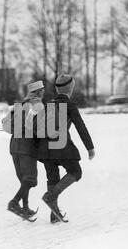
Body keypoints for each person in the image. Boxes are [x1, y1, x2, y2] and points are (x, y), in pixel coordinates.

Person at [37, 74, 95, 223]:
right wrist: (90, 147)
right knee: (76, 171)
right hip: (61, 146)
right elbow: (80, 126)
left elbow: (36, 124)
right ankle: (50, 197)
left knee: (52, 178)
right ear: (72, 87)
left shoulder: (48, 104)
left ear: (57, 88)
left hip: (45, 147)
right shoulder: (70, 105)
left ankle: (54, 214)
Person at [2, 81, 45, 219]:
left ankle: (25, 208)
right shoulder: (38, 105)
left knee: (24, 179)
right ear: (39, 92)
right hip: (28, 146)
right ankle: (14, 203)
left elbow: (6, 125)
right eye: (42, 90)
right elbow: (37, 128)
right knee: (31, 179)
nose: (43, 93)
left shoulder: (18, 105)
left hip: (14, 146)